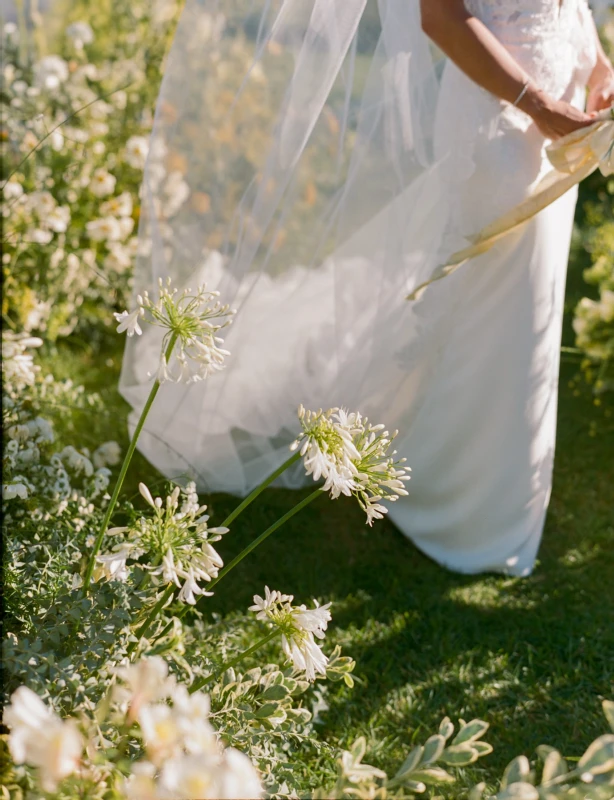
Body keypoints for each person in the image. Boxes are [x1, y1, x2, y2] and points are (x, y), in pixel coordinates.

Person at [120, 1, 614, 577]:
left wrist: (597, 62)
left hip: (564, 106)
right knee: (498, 308)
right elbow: (442, 16)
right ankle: (456, 505)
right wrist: (542, 105)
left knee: (518, 309)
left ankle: (475, 488)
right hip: (502, 122)